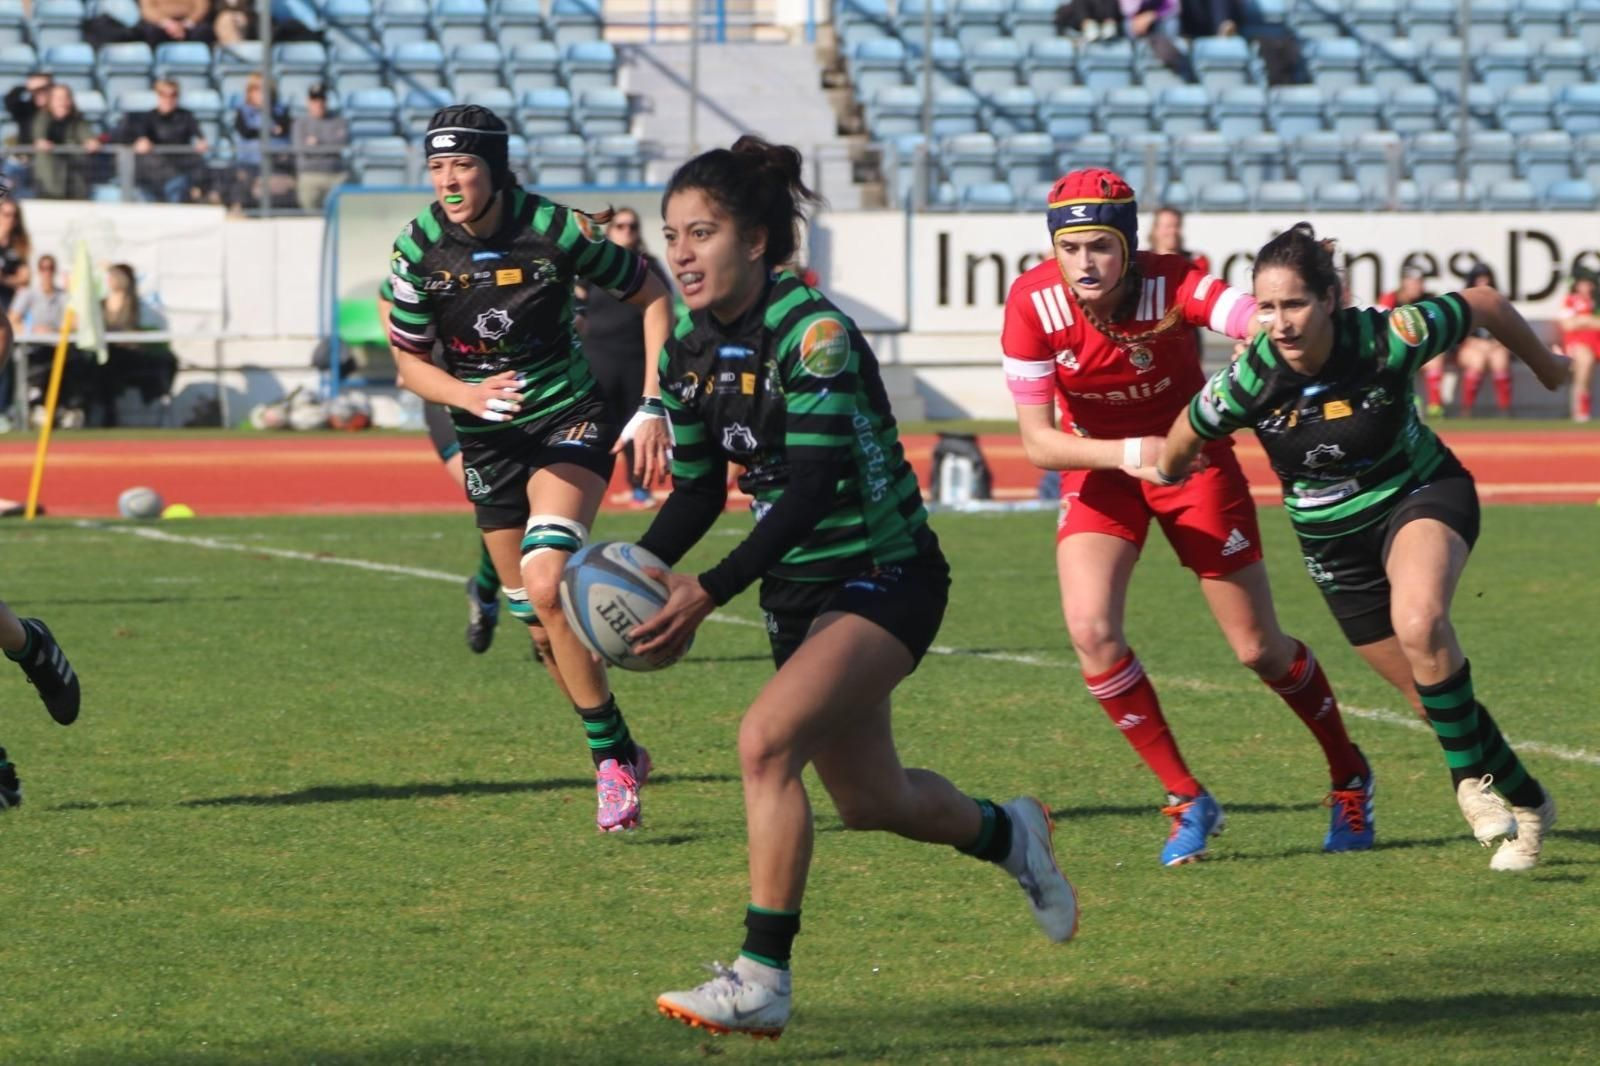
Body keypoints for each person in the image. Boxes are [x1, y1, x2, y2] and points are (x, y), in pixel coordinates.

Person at [630, 136, 1077, 1041]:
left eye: (702, 232)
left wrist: (706, 590)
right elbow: (700, 492)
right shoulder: (685, 347)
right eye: (671, 235)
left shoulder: (814, 334)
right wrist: (628, 574)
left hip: (886, 573)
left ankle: (762, 978)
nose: (681, 253)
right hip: (797, 592)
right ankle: (1011, 833)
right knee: (873, 802)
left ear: (757, 240)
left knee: (764, 743)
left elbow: (810, 488)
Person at [1159, 222, 1568, 871]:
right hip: (1333, 546)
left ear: (1329, 299)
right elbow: (1185, 432)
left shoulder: (1387, 337)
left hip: (1418, 493)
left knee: (1420, 622)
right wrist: (1170, 469)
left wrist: (1548, 367)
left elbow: (1485, 304)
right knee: (1429, 697)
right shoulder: (1249, 378)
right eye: (1267, 307)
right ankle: (1529, 801)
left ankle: (1470, 786)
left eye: (1295, 304)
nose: (1281, 323)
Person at [1002, 169, 1373, 866]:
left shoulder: (1172, 281)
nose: (1085, 262)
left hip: (1193, 464)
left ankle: (1349, 775)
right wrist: (1132, 453)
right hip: (1102, 466)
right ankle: (1185, 797)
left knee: (1258, 648)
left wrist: (1260, 332)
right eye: (1070, 247)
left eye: (1101, 246)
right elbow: (1037, 443)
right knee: (1091, 632)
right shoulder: (1031, 301)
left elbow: (1244, 313)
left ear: (1129, 244)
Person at [385, 104, 674, 832]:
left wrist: (652, 401)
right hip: (486, 442)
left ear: (495, 168)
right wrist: (466, 395)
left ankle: (608, 771)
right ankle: (621, 747)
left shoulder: (557, 229)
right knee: (539, 626)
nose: (449, 181)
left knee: (548, 581)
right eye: (437, 167)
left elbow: (653, 296)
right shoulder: (416, 247)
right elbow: (408, 363)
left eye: (464, 165)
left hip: (567, 419)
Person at [575, 207, 672, 509]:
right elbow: (577, 299)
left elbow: (664, 304)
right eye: (620, 226)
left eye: (632, 226)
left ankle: (640, 489)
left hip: (636, 358)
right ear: (609, 230)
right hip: (598, 356)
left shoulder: (648, 265)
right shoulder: (595, 263)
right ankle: (583, 489)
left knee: (637, 423)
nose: (626, 231)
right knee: (596, 425)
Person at [94, 263, 176, 426]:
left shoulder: (138, 307)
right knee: (99, 367)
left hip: (130, 356)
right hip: (107, 355)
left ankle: (109, 415)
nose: (110, 280)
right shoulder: (101, 305)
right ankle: (105, 414)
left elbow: (143, 335)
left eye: (114, 276)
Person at [1377, 266, 1457, 419]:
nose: (1418, 286)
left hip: (1422, 348)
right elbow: (1380, 325)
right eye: (1413, 282)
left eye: (1420, 282)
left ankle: (1435, 406)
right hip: (1396, 349)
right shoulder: (1390, 298)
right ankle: (1409, 400)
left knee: (1436, 359)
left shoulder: (1428, 299)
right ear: (1404, 283)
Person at [117, 79, 208, 204]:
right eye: (164, 94)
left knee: (178, 186)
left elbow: (200, 137)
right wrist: (142, 142)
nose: (168, 99)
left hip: (179, 168)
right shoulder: (149, 117)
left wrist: (201, 143)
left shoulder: (186, 116)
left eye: (173, 95)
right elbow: (140, 138)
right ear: (158, 96)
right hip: (156, 169)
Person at [227, 73, 292, 212]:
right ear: (249, 92)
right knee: (242, 181)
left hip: (276, 163)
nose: (261, 94)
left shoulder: (280, 111)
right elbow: (246, 132)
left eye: (265, 89)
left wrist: (269, 111)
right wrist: (270, 130)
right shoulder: (242, 112)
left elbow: (284, 129)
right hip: (249, 163)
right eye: (256, 89)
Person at [1455, 264, 1513, 417]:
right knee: (1477, 361)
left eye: (1486, 280)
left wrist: (1495, 344)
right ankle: (1466, 410)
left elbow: (1508, 329)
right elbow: (1459, 333)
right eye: (1479, 280)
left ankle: (1505, 410)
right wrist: (1476, 343)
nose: (1484, 284)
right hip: (1470, 346)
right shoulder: (1463, 301)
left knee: (1500, 360)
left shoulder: (1499, 301)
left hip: (1494, 346)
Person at [28, 85, 101, 201]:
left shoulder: (77, 119)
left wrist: (91, 142)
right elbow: (39, 137)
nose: (62, 102)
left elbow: (88, 137)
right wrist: (41, 142)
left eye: (66, 98)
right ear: (50, 101)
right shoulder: (42, 118)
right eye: (58, 98)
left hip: (76, 180)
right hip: (49, 182)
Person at [291, 84, 348, 213]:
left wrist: (318, 143)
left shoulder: (338, 120)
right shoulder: (300, 123)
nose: (319, 104)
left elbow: (341, 144)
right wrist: (329, 145)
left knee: (342, 208)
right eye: (315, 100)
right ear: (308, 102)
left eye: (322, 99)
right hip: (310, 174)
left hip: (335, 174)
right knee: (309, 204)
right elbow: (300, 148)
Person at [1558, 270, 1599, 423]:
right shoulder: (1571, 300)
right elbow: (1567, 325)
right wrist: (1589, 320)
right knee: (1585, 360)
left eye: (1589, 283)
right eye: (1583, 283)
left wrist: (1583, 320)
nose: (1587, 287)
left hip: (1596, 342)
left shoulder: (1597, 301)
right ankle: (1581, 409)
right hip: (1577, 344)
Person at [135, 0, 215, 45]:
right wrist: (167, 23)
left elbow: (202, 7)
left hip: (189, 23)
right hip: (160, 23)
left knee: (204, 31)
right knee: (151, 32)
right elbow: (147, 9)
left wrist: (187, 23)